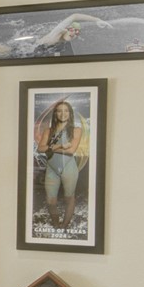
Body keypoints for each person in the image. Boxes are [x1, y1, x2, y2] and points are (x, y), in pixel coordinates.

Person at [33, 98, 89, 232]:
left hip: (68, 168)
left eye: (66, 111)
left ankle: (64, 225)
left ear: (70, 113)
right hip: (52, 169)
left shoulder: (76, 130)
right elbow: (40, 149)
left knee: (69, 198)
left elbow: (71, 151)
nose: (63, 114)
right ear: (55, 114)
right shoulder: (48, 131)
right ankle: (55, 223)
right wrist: (60, 146)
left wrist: (50, 148)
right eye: (59, 111)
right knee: (50, 201)